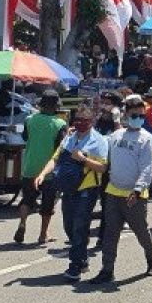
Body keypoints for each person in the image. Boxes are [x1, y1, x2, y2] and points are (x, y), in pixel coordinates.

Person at [91, 96, 152, 284]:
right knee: (110, 234)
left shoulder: (147, 139)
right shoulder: (115, 136)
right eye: (134, 115)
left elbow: (147, 167)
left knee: (141, 232)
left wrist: (137, 190)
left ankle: (151, 260)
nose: (138, 118)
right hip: (113, 191)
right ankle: (107, 269)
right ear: (125, 115)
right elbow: (100, 147)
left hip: (134, 195)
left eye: (141, 115)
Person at [35, 106, 107, 281]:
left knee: (79, 226)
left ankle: (74, 265)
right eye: (78, 120)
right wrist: (43, 174)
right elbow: (55, 159)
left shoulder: (99, 141)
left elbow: (103, 168)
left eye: (85, 120)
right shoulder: (69, 137)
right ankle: (82, 258)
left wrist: (83, 159)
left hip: (86, 191)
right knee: (69, 226)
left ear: (92, 122)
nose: (80, 123)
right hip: (67, 189)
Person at [13, 91, 67, 246]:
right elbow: (61, 147)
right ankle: (43, 234)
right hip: (49, 170)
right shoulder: (59, 124)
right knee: (48, 203)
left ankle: (22, 223)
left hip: (30, 166)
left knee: (27, 199)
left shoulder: (30, 119)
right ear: (56, 106)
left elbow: (25, 138)